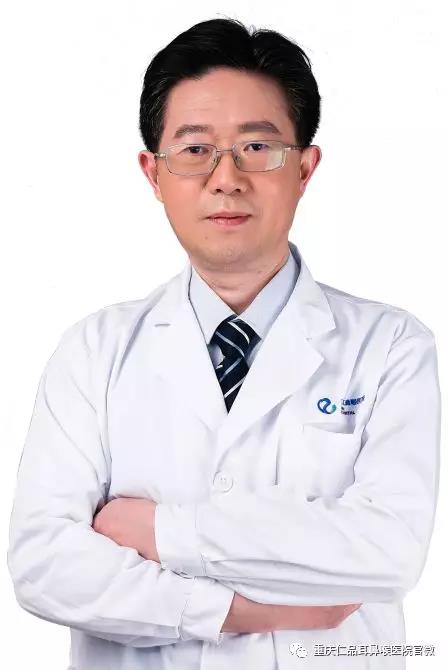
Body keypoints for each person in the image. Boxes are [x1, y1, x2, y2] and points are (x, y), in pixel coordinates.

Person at [7, 16, 440, 670]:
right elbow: (44, 565)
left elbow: (389, 551)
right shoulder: (93, 352)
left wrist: (159, 532)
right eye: (195, 149)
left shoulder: (390, 347)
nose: (226, 178)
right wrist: (238, 611)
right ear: (153, 173)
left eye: (257, 147)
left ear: (305, 168)